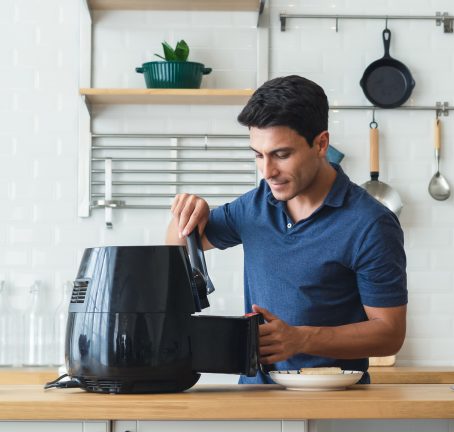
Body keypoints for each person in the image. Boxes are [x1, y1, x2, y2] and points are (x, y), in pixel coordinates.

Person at [165, 75, 407, 384]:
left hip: (334, 404)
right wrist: (186, 213)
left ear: (321, 144)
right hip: (255, 404)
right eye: (258, 155)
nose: (267, 171)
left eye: (281, 154)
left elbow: (389, 333)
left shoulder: (371, 223)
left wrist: (302, 339)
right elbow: (176, 247)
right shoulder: (253, 207)